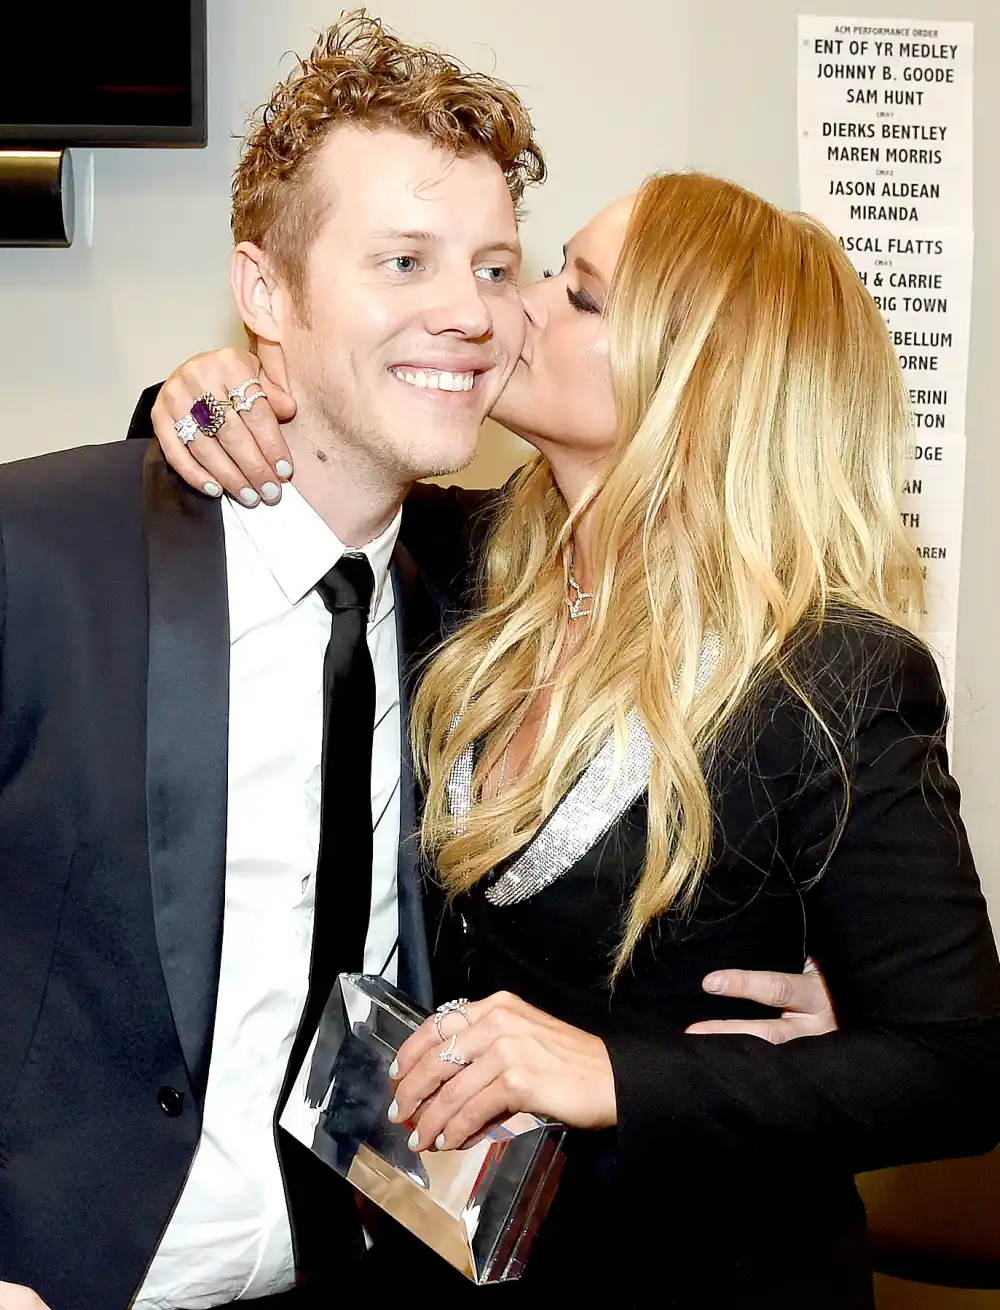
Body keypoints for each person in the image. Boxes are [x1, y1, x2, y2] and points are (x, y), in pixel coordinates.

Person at [148, 171, 1000, 1308]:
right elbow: (270, 473)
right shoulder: (471, 562)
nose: (520, 306)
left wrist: (613, 1070)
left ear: (695, 376)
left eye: (579, 293)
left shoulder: (828, 676)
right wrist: (199, 391)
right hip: (437, 1250)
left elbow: (959, 1065)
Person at [0, 14, 540, 1309]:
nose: (466, 313)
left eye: (495, 266)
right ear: (263, 292)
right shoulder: (38, 553)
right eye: (403, 260)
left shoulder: (491, 592)